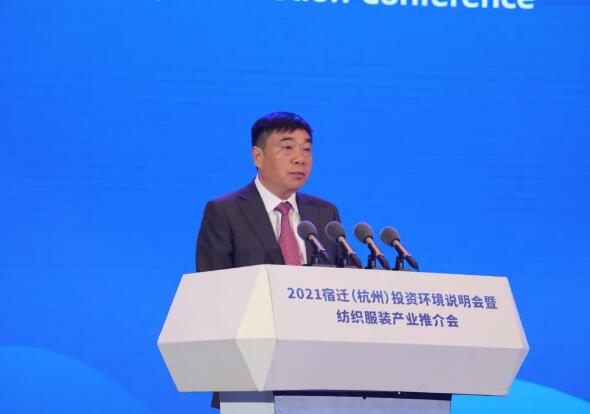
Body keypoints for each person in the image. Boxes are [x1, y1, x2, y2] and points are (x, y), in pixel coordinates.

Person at [196, 111, 341, 272]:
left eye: (306, 149)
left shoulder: (326, 213)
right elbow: (212, 282)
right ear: (258, 156)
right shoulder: (225, 212)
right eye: (287, 147)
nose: (300, 159)